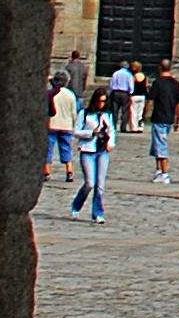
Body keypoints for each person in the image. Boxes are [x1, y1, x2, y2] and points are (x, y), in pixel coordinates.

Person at [68, 86, 116, 223]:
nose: (102, 104)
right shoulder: (85, 114)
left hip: (102, 151)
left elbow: (111, 130)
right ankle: (76, 205)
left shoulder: (107, 115)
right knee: (90, 183)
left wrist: (110, 142)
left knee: (100, 185)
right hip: (88, 149)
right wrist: (90, 133)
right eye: (100, 101)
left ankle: (98, 213)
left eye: (104, 101)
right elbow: (76, 131)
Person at [145, 60, 179, 183]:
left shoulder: (158, 83)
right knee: (156, 145)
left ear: (159, 68)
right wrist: (178, 120)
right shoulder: (176, 84)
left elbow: (150, 100)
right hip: (169, 118)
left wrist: (144, 114)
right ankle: (158, 170)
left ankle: (165, 173)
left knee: (161, 146)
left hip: (159, 117)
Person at [45, 71, 78, 184]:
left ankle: (47, 172)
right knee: (66, 148)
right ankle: (69, 172)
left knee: (48, 149)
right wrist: (74, 124)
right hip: (66, 125)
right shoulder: (70, 94)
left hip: (52, 124)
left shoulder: (51, 93)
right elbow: (74, 112)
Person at [107, 60, 136, 136]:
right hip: (125, 93)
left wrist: (110, 92)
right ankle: (123, 127)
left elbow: (111, 84)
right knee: (125, 110)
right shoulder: (129, 74)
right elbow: (131, 85)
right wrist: (131, 93)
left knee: (114, 110)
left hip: (116, 92)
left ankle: (113, 126)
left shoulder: (115, 73)